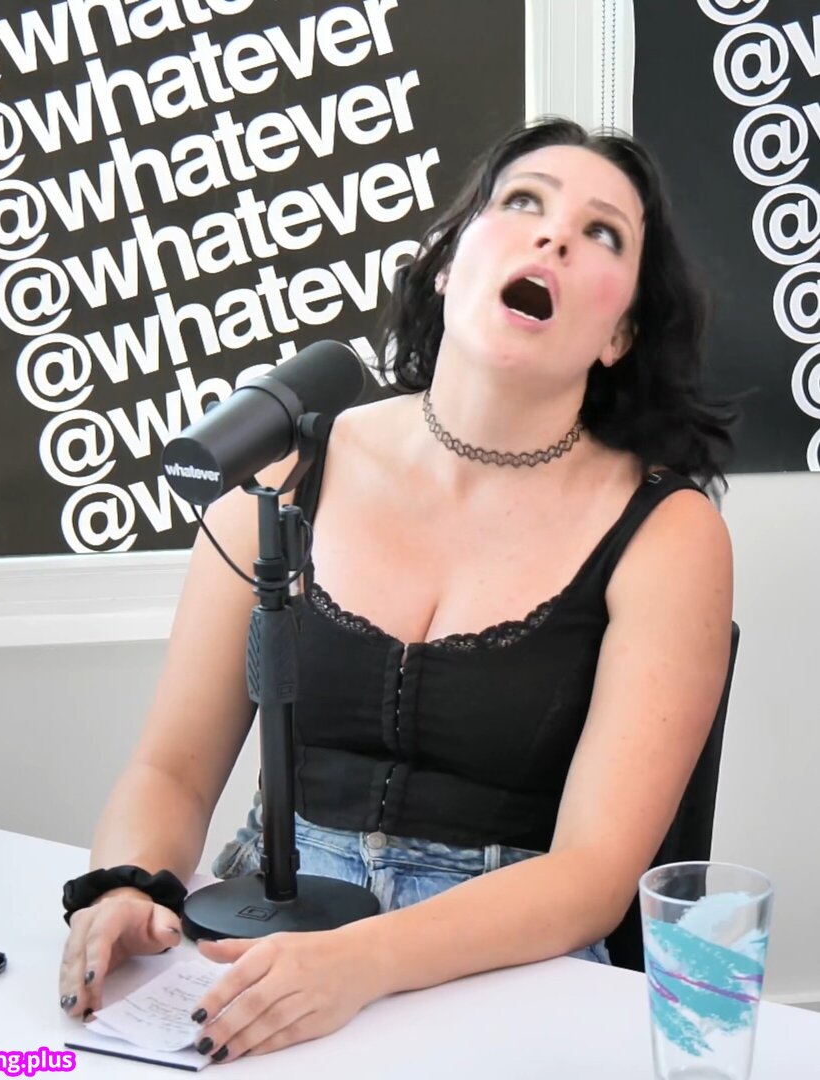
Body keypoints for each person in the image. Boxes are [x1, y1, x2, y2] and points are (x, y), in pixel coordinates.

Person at [57, 117, 735, 1062]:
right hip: (267, 930)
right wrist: (126, 885)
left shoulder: (668, 532)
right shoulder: (287, 464)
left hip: (501, 960)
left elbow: (592, 875)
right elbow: (171, 768)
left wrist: (361, 962)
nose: (553, 236)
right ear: (449, 264)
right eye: (523, 202)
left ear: (620, 331)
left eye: (601, 233)